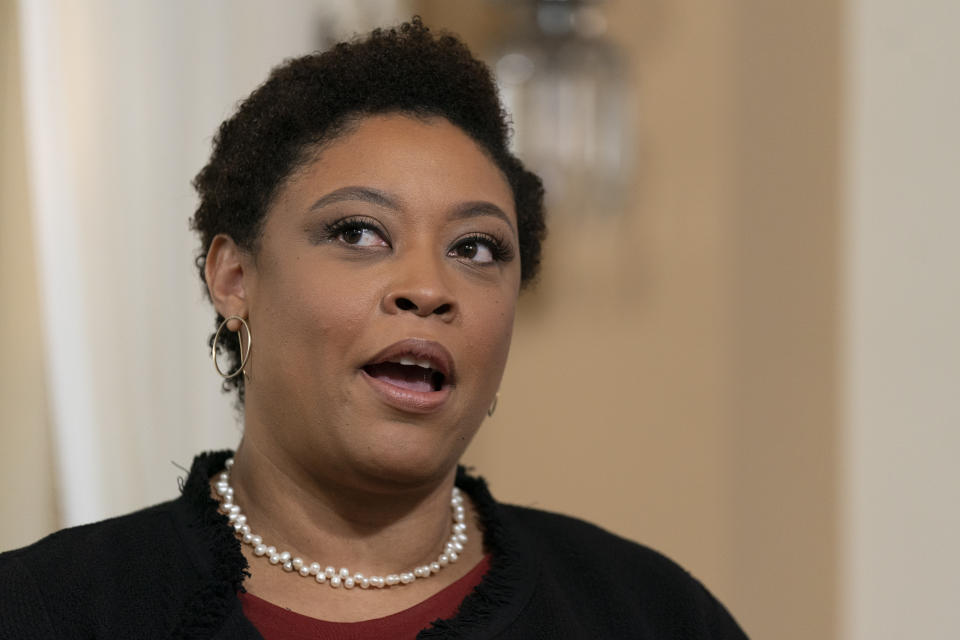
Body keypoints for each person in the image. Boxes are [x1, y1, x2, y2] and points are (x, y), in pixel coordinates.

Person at [0, 18, 747, 639]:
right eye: (359, 233)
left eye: (476, 248)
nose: (428, 288)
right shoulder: (49, 609)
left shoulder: (648, 614)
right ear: (233, 278)